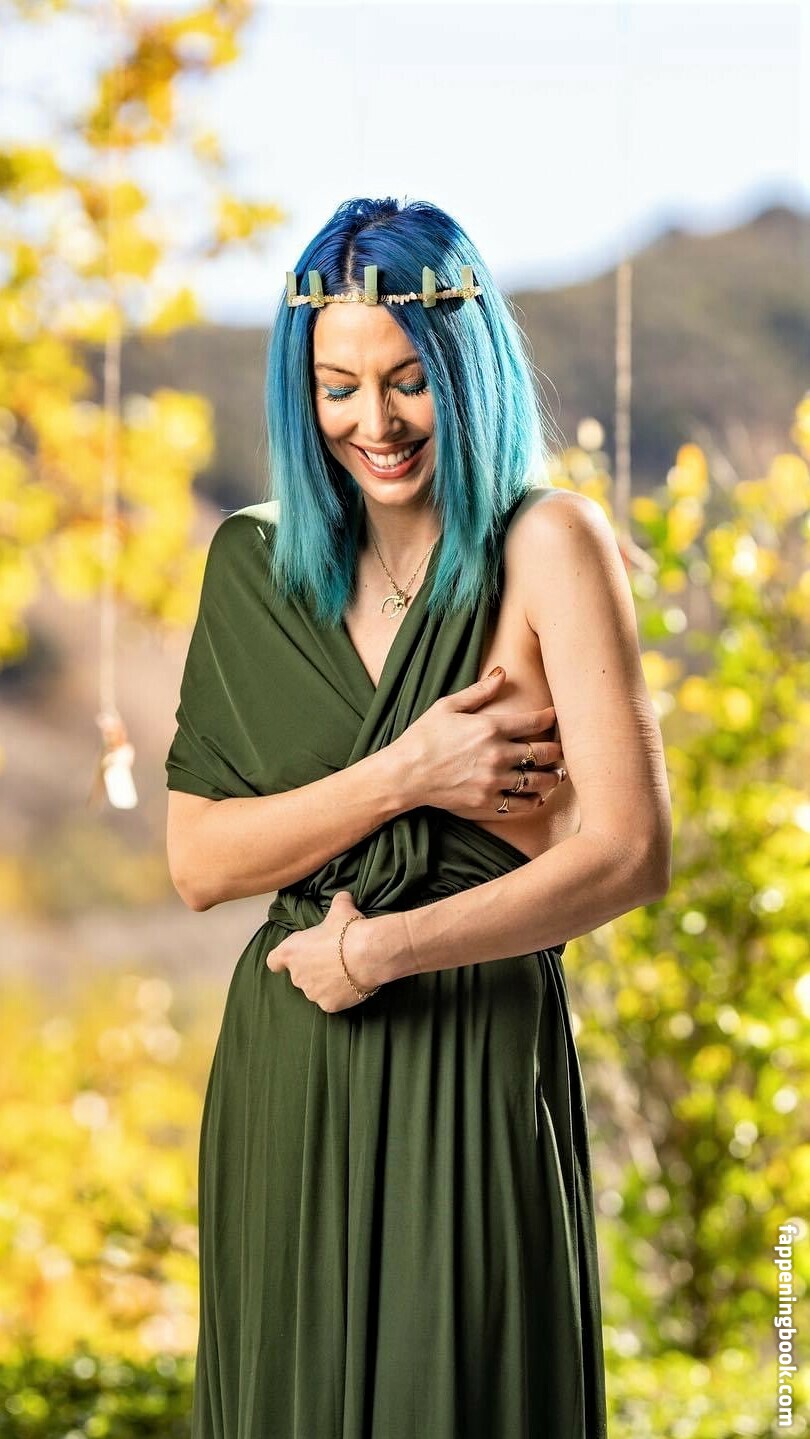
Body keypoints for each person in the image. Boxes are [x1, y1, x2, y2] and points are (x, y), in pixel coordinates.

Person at [165, 196, 672, 1439]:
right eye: (336, 387)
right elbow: (198, 861)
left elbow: (629, 851)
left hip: (471, 1051)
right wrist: (406, 773)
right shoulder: (250, 563)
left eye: (407, 382)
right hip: (289, 1065)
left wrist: (382, 949)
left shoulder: (550, 543)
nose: (374, 423)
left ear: (466, 366)